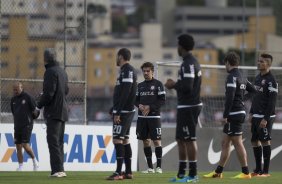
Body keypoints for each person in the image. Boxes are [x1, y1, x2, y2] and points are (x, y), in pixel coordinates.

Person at [203, 52, 256, 179]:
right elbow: (253, 90)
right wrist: (242, 99)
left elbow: (230, 96)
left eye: (225, 64)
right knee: (225, 143)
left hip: (234, 113)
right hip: (239, 111)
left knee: (237, 142)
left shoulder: (232, 77)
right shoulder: (242, 76)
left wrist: (226, 114)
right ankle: (218, 172)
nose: (225, 66)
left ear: (227, 63)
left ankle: (245, 172)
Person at [165, 34, 202, 183]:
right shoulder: (188, 62)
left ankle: (193, 175)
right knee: (181, 139)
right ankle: (181, 174)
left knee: (189, 139)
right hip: (185, 105)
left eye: (178, 44)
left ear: (181, 46)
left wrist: (173, 85)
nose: (177, 47)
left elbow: (187, 87)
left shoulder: (188, 64)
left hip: (190, 105)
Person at [36, 48, 69, 177]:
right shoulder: (62, 72)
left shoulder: (50, 72)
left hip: (53, 111)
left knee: (53, 140)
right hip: (63, 110)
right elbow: (66, 90)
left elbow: (49, 93)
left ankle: (57, 170)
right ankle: (60, 169)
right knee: (59, 142)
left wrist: (38, 105)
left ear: (45, 58)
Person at [107, 48, 137, 180]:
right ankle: (128, 172)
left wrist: (118, 112)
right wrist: (114, 108)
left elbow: (126, 92)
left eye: (117, 56)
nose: (116, 59)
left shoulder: (128, 71)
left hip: (124, 112)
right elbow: (123, 93)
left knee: (117, 139)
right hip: (124, 110)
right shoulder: (126, 71)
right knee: (125, 140)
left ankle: (118, 172)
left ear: (120, 56)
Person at [249, 53, 278, 177]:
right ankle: (258, 170)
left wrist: (265, 119)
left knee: (265, 141)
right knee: (255, 141)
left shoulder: (272, 81)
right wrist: (251, 112)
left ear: (268, 64)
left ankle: (266, 172)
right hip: (255, 115)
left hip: (265, 117)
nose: (259, 63)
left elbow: (272, 102)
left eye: (261, 61)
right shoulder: (257, 78)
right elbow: (255, 97)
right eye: (258, 61)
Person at [135, 62, 166, 174]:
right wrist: (139, 105)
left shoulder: (158, 84)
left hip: (154, 117)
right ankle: (150, 168)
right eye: (144, 71)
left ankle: (159, 167)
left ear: (152, 71)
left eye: (148, 71)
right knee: (146, 141)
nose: (146, 73)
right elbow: (135, 100)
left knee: (157, 141)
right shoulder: (140, 85)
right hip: (142, 118)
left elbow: (162, 100)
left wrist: (150, 107)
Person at [11, 82, 39, 171]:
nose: (15, 91)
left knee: (24, 144)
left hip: (27, 125)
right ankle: (20, 166)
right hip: (17, 125)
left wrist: (32, 118)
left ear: (21, 88)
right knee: (18, 146)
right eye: (14, 90)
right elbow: (13, 112)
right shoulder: (13, 99)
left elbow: (35, 110)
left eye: (17, 89)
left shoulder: (27, 97)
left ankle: (35, 161)